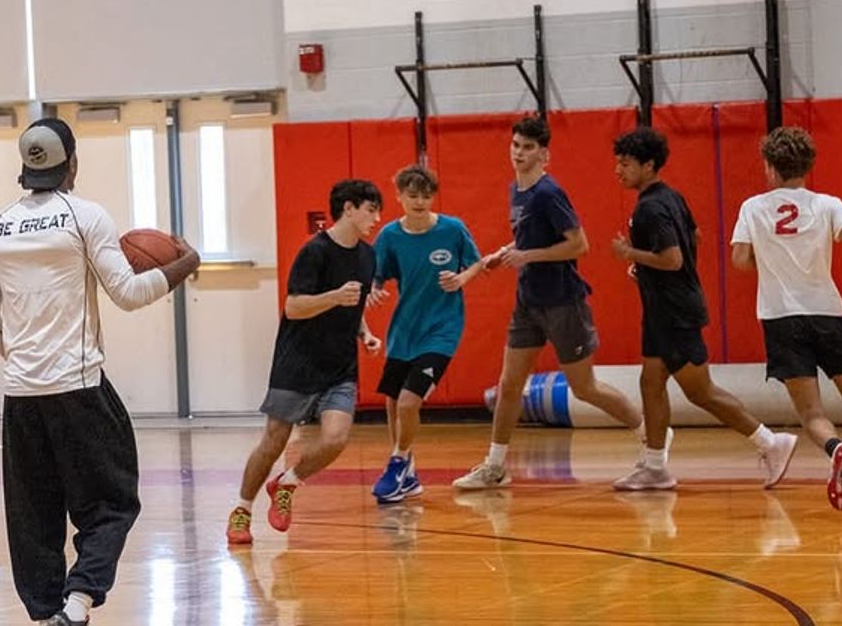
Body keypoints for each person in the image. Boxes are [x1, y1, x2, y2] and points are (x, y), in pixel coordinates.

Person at [0, 118, 200, 625]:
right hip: (79, 387)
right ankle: (78, 603)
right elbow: (130, 293)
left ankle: (47, 612)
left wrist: (18, 357)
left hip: (21, 395)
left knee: (33, 515)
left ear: (25, 167)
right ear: (72, 163)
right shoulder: (86, 216)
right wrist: (187, 262)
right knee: (113, 502)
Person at [453, 115, 649, 491]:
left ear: (545, 154)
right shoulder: (517, 190)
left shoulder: (548, 193)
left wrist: (528, 257)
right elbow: (527, 241)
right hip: (528, 302)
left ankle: (650, 436)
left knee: (584, 387)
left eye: (528, 148)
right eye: (515, 146)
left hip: (563, 301)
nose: (519, 153)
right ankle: (495, 466)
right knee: (509, 384)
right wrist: (505, 253)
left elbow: (579, 244)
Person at [610, 126, 798, 492]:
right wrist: (645, 269)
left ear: (648, 165)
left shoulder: (650, 208)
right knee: (650, 383)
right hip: (663, 310)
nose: (619, 169)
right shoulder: (671, 197)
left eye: (626, 163)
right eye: (617, 162)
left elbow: (674, 258)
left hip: (675, 313)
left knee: (700, 391)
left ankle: (769, 442)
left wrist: (630, 255)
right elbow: (693, 236)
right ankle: (654, 467)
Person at [226, 179, 383, 544]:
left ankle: (288, 482)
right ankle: (241, 510)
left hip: (340, 366)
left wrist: (366, 333)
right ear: (348, 208)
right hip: (297, 364)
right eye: (371, 209)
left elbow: (353, 304)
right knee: (273, 443)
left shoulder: (367, 255)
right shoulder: (314, 251)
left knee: (335, 439)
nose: (376, 218)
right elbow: (294, 307)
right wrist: (333, 297)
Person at [730, 125, 842, 511]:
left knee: (812, 412)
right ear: (808, 165)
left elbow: (740, 260)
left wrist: (769, 256)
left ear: (769, 167)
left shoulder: (752, 207)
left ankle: (837, 449)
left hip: (781, 318)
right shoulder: (828, 204)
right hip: (826, 312)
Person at [368, 164, 484, 503]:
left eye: (426, 195)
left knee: (408, 401)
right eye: (412, 195)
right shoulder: (389, 235)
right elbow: (376, 274)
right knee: (392, 402)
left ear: (433, 197)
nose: (420, 202)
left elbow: (475, 263)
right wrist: (374, 287)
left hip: (442, 330)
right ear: (399, 197)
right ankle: (406, 472)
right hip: (404, 331)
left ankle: (398, 462)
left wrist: (462, 279)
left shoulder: (452, 229)